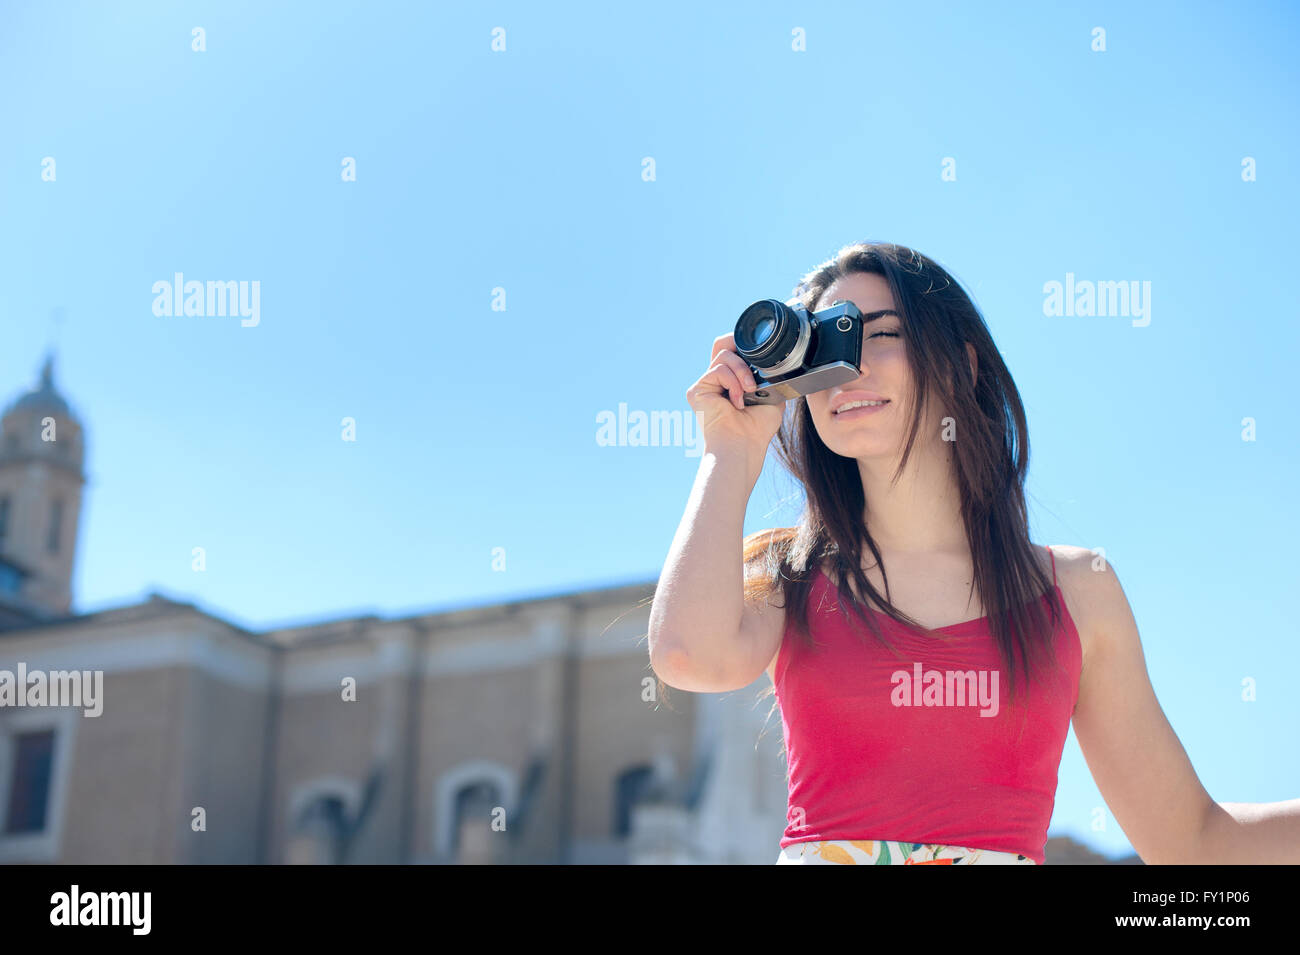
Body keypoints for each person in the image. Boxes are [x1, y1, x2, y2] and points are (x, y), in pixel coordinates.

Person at [648, 240, 1299, 865]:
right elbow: (686, 653)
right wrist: (729, 450)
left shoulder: (1078, 591)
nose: (850, 368)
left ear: (962, 362)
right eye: (824, 348)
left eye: (879, 333)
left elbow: (1193, 843)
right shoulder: (789, 576)